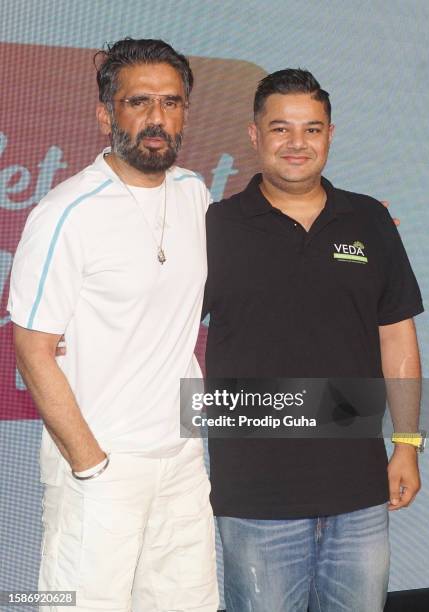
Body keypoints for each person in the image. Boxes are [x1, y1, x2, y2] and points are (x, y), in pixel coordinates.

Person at [8, 38, 218, 612]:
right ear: (105, 113)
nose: (158, 119)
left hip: (180, 463)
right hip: (99, 469)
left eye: (172, 103)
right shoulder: (64, 214)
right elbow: (31, 347)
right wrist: (88, 463)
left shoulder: (195, 193)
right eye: (139, 102)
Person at [203, 69, 423, 612]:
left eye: (312, 129)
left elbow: (397, 335)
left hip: (359, 493)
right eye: (280, 129)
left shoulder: (370, 219)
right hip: (255, 500)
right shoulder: (213, 227)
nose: (297, 143)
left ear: (330, 135)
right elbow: (159, 328)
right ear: (254, 136)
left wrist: (408, 444)